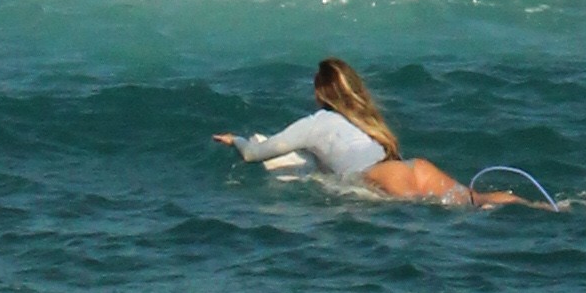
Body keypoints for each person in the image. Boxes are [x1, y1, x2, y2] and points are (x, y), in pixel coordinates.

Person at [218, 55, 524, 207]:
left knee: (425, 215)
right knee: (476, 200)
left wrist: (236, 140)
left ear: (319, 92)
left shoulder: (313, 124)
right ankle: (544, 207)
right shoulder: (364, 118)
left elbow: (253, 154)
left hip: (380, 177)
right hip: (412, 166)